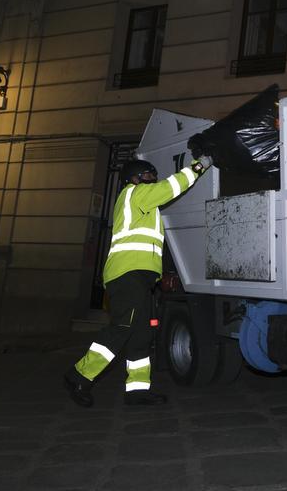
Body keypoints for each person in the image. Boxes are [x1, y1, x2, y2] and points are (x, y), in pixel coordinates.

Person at [64, 156, 211, 407]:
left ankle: (137, 390)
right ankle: (79, 376)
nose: (152, 179)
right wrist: (199, 166)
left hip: (140, 277)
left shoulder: (142, 203)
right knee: (122, 328)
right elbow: (171, 187)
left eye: (153, 176)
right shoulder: (135, 194)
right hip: (127, 274)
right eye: (147, 175)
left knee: (141, 334)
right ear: (134, 178)